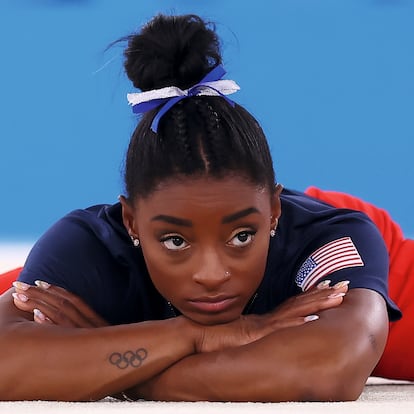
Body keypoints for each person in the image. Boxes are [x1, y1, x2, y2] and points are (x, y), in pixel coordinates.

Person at [0, 14, 408, 402]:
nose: (212, 275)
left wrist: (120, 373)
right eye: (175, 240)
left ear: (273, 213)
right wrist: (193, 336)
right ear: (132, 223)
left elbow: (328, 369)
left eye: (240, 236)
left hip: (384, 271)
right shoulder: (93, 248)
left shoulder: (325, 240)